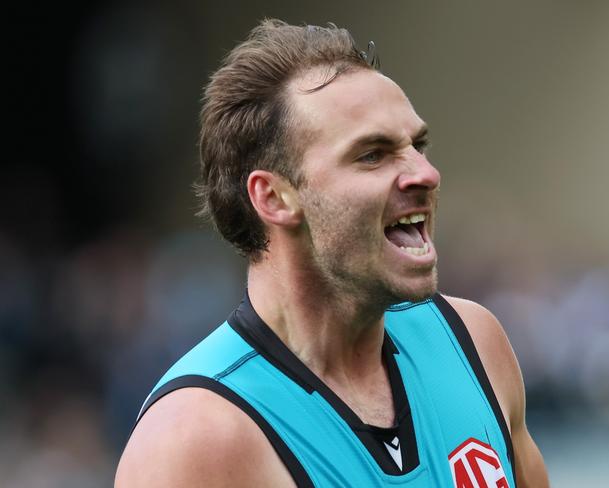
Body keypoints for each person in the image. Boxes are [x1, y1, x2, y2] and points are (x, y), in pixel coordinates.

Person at [115, 19, 549, 487]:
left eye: (416, 145)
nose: (424, 173)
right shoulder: (195, 440)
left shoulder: (473, 344)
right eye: (372, 154)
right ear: (274, 198)